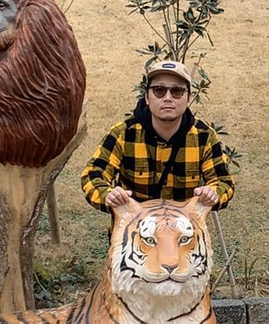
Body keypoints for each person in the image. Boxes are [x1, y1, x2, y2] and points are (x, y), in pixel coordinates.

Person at [81, 58, 234, 213]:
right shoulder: (124, 134)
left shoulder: (204, 137)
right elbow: (92, 174)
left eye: (177, 91)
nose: (168, 98)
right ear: (147, 97)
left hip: (184, 225)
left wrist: (213, 193)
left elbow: (223, 181)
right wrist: (107, 195)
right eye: (159, 90)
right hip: (134, 224)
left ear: (188, 98)